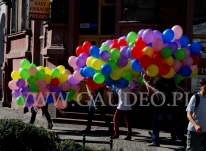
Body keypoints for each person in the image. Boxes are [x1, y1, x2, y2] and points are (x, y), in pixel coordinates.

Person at [143, 74, 186, 147]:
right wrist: (178, 100)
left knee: (155, 123)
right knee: (172, 124)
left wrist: (146, 81)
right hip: (169, 105)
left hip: (161, 106)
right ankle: (185, 140)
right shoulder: (171, 80)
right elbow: (175, 91)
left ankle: (155, 141)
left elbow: (151, 91)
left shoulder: (160, 82)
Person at [186, 78, 206, 150]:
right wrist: (196, 125)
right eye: (205, 87)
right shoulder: (195, 97)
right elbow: (189, 114)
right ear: (201, 87)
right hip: (195, 132)